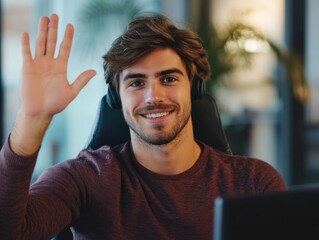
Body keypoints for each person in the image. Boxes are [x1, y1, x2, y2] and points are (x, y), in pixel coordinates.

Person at [0, 13, 286, 240]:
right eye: (136, 82)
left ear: (195, 88)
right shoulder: (85, 178)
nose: (154, 97)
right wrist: (32, 119)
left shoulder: (254, 183)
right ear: (117, 97)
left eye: (169, 79)